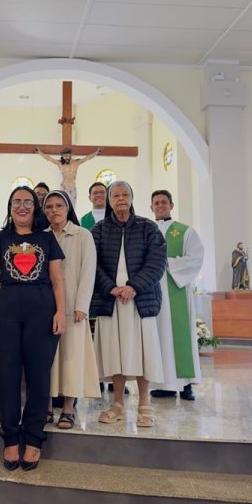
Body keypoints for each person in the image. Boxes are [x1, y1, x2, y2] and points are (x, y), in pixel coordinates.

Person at [0, 186, 65, 471]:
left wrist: (61, 312)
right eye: (16, 201)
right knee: (6, 376)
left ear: (35, 207)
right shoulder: (2, 237)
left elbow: (57, 280)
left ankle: (33, 439)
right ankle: (9, 439)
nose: (21, 206)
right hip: (5, 310)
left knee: (38, 377)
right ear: (10, 207)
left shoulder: (47, 238)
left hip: (42, 310)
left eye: (27, 202)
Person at [91, 181, 166, 427]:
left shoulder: (148, 228)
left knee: (142, 351)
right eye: (116, 195)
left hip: (139, 300)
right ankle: (118, 404)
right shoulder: (99, 230)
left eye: (125, 194)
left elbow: (156, 263)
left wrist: (134, 286)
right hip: (110, 300)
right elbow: (93, 264)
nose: (120, 198)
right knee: (115, 352)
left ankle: (145, 403)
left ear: (132, 198)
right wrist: (110, 288)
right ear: (109, 200)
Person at [43, 190, 100, 429]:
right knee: (46, 360)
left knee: (71, 358)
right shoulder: (40, 236)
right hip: (45, 307)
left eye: (59, 206)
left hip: (74, 307)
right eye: (49, 207)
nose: (54, 210)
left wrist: (81, 306)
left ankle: (68, 407)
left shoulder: (82, 235)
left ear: (67, 209)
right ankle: (44, 406)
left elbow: (89, 272)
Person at [148, 190, 204, 402]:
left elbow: (195, 258)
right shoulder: (148, 230)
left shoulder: (185, 231)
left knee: (181, 335)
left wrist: (167, 263)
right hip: (152, 291)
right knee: (158, 336)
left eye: (164, 202)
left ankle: (186, 383)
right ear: (151, 207)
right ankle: (164, 384)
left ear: (171, 204)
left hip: (175, 288)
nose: (160, 205)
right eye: (156, 203)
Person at [35, 147, 102, 205]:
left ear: (70, 155)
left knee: (72, 205)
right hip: (64, 186)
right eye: (64, 156)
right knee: (64, 204)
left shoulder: (76, 162)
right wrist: (39, 152)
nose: (66, 157)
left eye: (67, 155)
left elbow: (87, 158)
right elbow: (49, 158)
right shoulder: (60, 164)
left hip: (72, 186)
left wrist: (96, 152)